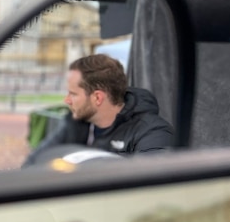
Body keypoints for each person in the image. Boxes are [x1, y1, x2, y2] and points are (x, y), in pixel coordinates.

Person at [24, 54, 173, 166]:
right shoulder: (76, 123)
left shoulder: (152, 132)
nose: (66, 100)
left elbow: (152, 186)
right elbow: (32, 163)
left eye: (73, 94)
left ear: (97, 98)